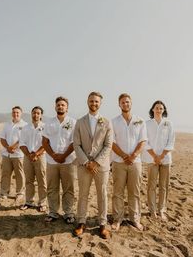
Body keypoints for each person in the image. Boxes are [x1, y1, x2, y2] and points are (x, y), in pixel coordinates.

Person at [73, 91, 113, 239]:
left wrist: (96, 162)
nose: (94, 103)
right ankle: (81, 222)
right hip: (84, 165)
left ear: (100, 103)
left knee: (102, 194)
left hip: (101, 166)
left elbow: (108, 145)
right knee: (83, 194)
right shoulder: (80, 121)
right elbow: (76, 144)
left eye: (96, 101)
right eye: (91, 101)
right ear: (87, 102)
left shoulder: (107, 122)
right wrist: (86, 162)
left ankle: (102, 224)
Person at [111, 93, 147, 231]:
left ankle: (135, 219)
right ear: (119, 105)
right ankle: (117, 219)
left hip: (135, 162)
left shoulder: (140, 121)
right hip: (118, 162)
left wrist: (133, 156)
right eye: (123, 102)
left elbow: (142, 141)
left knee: (134, 192)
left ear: (131, 103)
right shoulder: (113, 122)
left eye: (127, 102)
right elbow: (112, 142)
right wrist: (124, 156)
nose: (125, 104)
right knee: (118, 192)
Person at [42, 96, 76, 224]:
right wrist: (53, 155)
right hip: (51, 161)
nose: (60, 107)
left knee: (68, 188)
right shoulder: (49, 123)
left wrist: (63, 156)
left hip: (68, 161)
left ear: (67, 107)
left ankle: (68, 213)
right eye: (58, 105)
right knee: (52, 188)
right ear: (55, 107)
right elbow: (44, 142)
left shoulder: (73, 122)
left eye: (63, 105)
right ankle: (53, 212)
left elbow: (74, 142)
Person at [144, 100, 175, 221]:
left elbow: (171, 142)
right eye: (157, 108)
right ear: (153, 110)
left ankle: (161, 210)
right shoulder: (147, 124)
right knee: (151, 186)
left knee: (164, 186)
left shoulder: (169, 123)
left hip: (165, 159)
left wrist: (161, 156)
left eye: (161, 108)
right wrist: (154, 156)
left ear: (164, 110)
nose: (159, 110)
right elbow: (145, 142)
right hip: (151, 159)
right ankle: (152, 210)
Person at [0, 106, 27, 204]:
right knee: (5, 174)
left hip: (19, 155)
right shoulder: (7, 124)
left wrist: (13, 147)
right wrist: (7, 148)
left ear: (21, 113)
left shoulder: (25, 125)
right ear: (12, 113)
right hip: (6, 155)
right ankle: (4, 193)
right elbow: (2, 138)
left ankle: (20, 193)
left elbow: (23, 139)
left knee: (20, 175)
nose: (15, 114)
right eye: (14, 112)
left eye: (17, 112)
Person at [20, 106, 47, 212]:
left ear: (41, 115)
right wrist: (28, 155)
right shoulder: (26, 127)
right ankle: (29, 201)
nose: (36, 115)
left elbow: (46, 144)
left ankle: (42, 203)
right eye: (34, 113)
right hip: (27, 157)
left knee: (42, 181)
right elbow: (22, 143)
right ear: (31, 114)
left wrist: (36, 154)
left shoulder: (45, 127)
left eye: (38, 113)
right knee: (29, 181)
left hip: (40, 157)